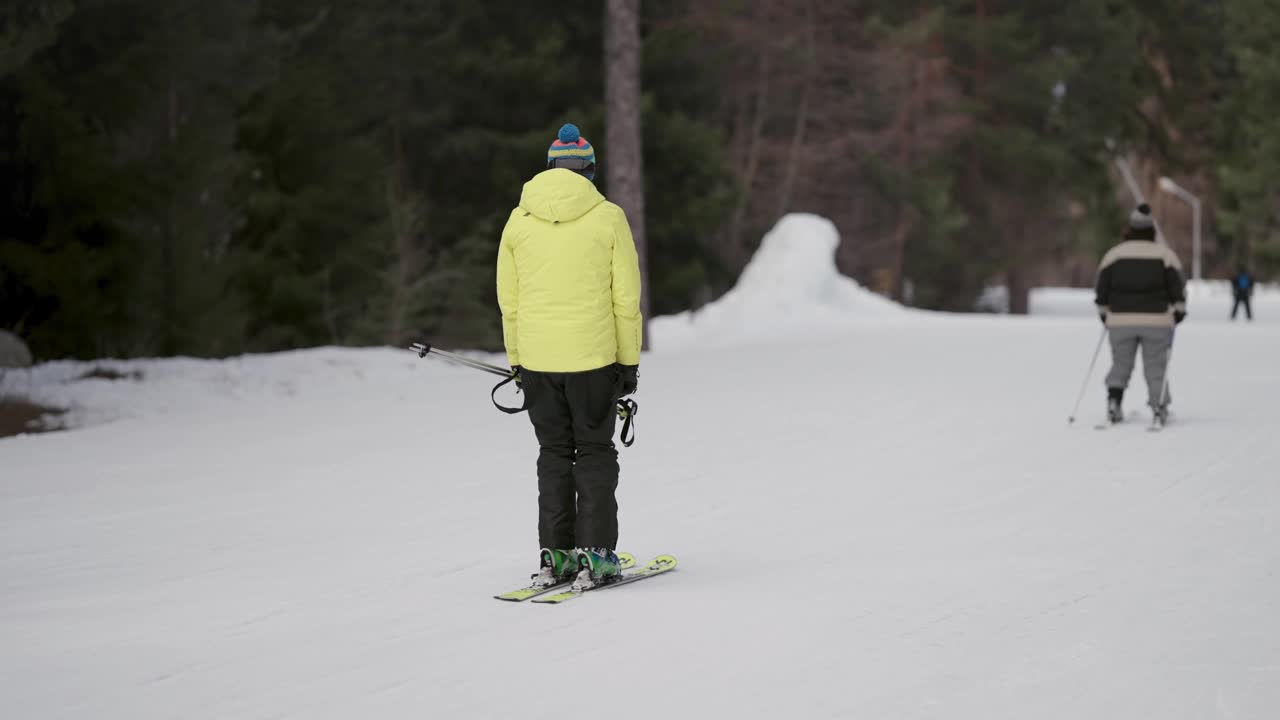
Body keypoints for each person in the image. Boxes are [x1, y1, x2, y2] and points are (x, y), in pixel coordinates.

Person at [496, 123, 642, 590]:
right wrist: (628, 363)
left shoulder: (518, 221)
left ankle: (557, 556)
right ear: (589, 170)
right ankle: (597, 556)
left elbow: (510, 301)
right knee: (595, 451)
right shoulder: (608, 217)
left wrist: (518, 360)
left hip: (538, 361)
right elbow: (626, 299)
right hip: (593, 359)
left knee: (554, 452)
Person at [1095, 203, 1186, 425]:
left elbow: (1102, 288)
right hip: (1157, 321)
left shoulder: (1113, 256)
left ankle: (1114, 402)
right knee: (1156, 366)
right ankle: (1159, 406)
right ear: (1151, 230)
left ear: (1130, 229)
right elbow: (1178, 287)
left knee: (1121, 363)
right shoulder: (1165, 256)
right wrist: (1179, 310)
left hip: (1120, 320)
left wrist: (1104, 313)